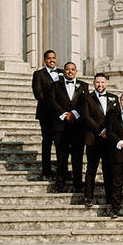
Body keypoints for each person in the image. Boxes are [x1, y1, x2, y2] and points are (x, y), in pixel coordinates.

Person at [80, 72, 119, 207]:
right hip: (93, 139)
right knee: (91, 169)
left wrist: (109, 132)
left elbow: (117, 118)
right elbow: (86, 117)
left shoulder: (114, 98)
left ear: (106, 83)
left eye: (102, 82)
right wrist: (100, 130)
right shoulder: (87, 98)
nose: (100, 85)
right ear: (93, 83)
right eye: (97, 82)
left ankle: (109, 198)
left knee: (108, 170)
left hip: (109, 140)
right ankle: (88, 196)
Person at [49, 61, 88, 192]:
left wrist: (75, 113)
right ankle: (60, 183)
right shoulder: (55, 85)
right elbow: (52, 101)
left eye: (72, 69)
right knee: (61, 156)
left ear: (76, 71)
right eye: (67, 69)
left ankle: (78, 184)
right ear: (64, 71)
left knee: (77, 157)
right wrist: (64, 114)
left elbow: (85, 104)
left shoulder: (84, 85)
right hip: (60, 127)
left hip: (77, 127)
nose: (70, 71)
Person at [30, 49, 62, 180]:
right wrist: (54, 104)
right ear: (44, 60)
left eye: (53, 58)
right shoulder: (38, 74)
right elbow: (38, 94)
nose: (52, 60)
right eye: (49, 58)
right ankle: (46, 171)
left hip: (61, 115)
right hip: (46, 113)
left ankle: (62, 171)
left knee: (61, 144)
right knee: (47, 142)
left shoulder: (62, 73)